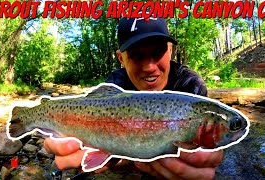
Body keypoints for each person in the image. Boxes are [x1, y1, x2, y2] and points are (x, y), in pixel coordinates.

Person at [44, 17, 223, 179]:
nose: (149, 67)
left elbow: (202, 146)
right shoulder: (115, 85)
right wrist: (113, 157)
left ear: (170, 50)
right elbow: (110, 148)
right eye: (137, 55)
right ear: (121, 58)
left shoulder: (190, 85)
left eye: (158, 52)